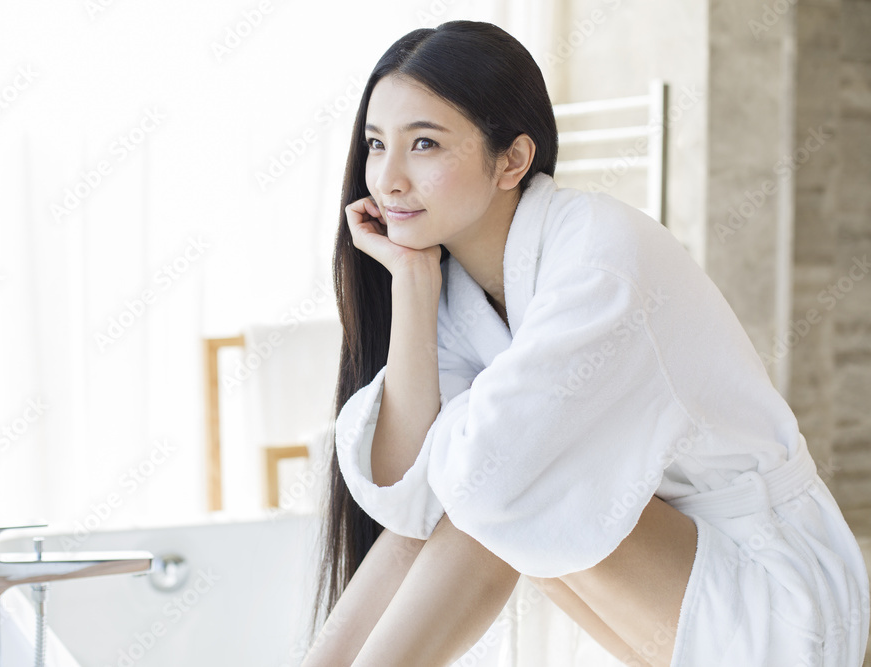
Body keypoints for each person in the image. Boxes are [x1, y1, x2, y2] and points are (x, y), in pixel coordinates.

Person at [302, 19, 871, 667]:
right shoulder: (460, 288)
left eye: (424, 143)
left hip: (774, 597)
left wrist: (458, 446)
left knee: (491, 481)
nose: (389, 179)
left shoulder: (599, 257)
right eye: (377, 145)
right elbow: (407, 495)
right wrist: (411, 279)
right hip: (669, 593)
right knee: (478, 481)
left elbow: (476, 485)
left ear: (512, 160)